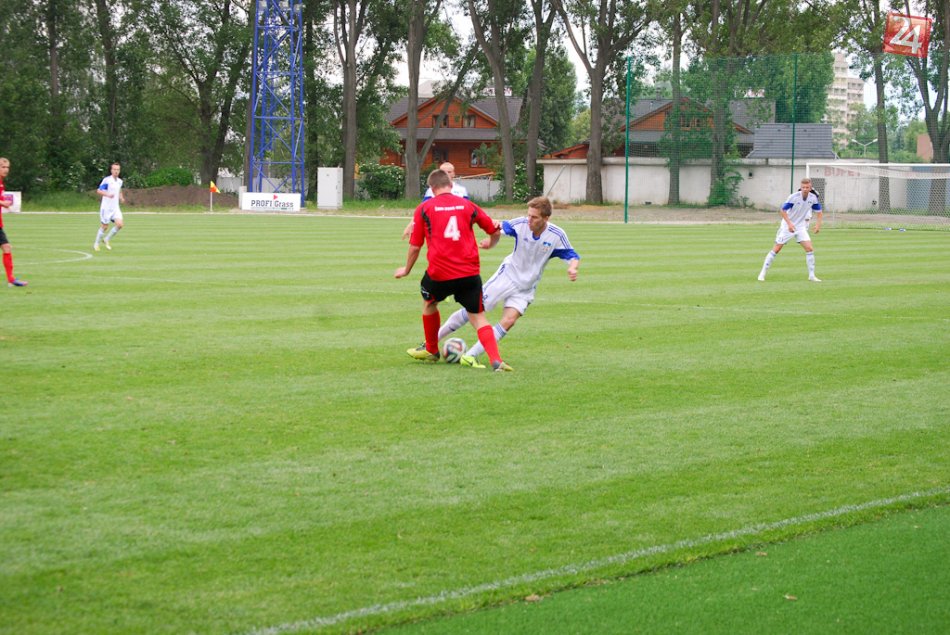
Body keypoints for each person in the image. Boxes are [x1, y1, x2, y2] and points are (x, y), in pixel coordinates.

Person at [434, 196, 580, 368]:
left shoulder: (556, 235)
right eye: (528, 215)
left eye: (534, 217)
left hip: (526, 287)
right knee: (473, 309)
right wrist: (492, 234)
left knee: (509, 321)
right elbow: (498, 227)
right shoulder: (521, 224)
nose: (529, 220)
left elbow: (572, 255)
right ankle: (430, 343)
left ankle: (470, 355)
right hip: (507, 277)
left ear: (546, 218)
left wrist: (572, 268)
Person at [394, 169, 513, 372]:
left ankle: (431, 350)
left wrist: (406, 269)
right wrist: (490, 244)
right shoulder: (468, 205)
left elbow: (415, 247)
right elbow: (494, 230)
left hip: (439, 273)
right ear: (451, 184)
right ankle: (496, 360)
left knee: (430, 303)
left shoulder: (424, 208)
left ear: (432, 188)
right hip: (469, 273)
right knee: (478, 317)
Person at [758, 177, 823, 282]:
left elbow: (819, 212)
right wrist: (789, 224)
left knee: (809, 249)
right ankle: (762, 273)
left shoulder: (813, 198)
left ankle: (811, 276)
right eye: (803, 187)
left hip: (800, 227)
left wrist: (818, 225)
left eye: (807, 187)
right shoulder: (793, 197)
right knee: (776, 249)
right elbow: (783, 210)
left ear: (810, 188)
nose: (805, 189)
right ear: (800, 187)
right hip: (787, 226)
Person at [0, 157, 27, 287]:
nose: (6, 170)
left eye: (7, 167)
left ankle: (11, 279)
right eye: (3, 167)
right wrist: (2, 203)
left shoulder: (1, 183)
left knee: (6, 247)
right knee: (7, 247)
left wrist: (4, 204)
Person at [94, 162, 126, 251]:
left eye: (118, 169)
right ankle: (96, 244)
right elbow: (99, 191)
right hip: (106, 208)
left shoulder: (119, 181)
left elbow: (119, 191)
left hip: (115, 208)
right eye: (114, 169)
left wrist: (121, 198)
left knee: (120, 224)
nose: (116, 171)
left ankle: (106, 239)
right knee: (105, 227)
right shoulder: (107, 180)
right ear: (111, 170)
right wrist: (107, 195)